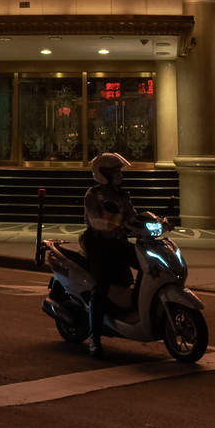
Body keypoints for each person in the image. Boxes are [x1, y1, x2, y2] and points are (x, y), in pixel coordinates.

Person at [81, 152, 142, 355]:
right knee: (101, 286)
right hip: (98, 244)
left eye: (119, 170)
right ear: (103, 173)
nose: (119, 174)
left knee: (145, 263)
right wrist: (110, 227)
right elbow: (94, 220)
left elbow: (134, 216)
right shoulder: (93, 195)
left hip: (117, 243)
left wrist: (158, 223)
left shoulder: (122, 195)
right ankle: (95, 338)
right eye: (115, 170)